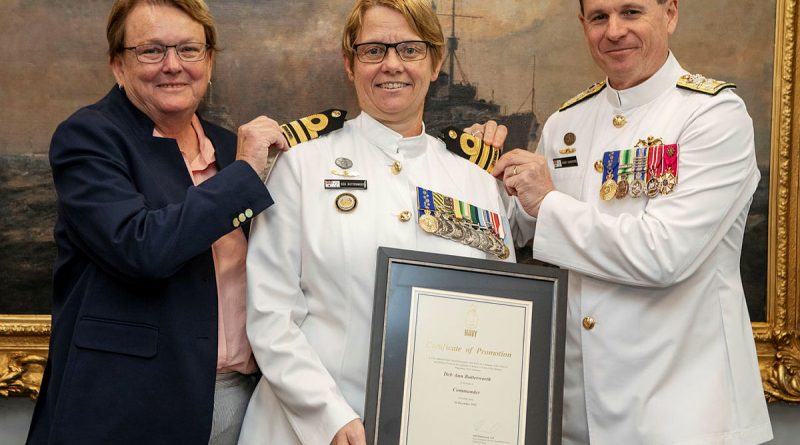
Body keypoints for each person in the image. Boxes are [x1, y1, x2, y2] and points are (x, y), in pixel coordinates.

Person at [491, 0, 773, 443]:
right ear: (583, 25)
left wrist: (547, 202)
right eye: (600, 17)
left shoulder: (713, 115)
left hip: (685, 417)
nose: (614, 31)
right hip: (577, 416)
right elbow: (516, 231)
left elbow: (662, 255)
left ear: (671, 14)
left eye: (631, 12)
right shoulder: (567, 121)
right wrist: (473, 171)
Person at [239, 1, 515, 444]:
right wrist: (329, 417)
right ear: (350, 64)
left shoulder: (474, 177)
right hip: (308, 425)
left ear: (436, 62)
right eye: (372, 50)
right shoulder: (302, 165)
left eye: (410, 49)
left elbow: (498, 315)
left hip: (439, 425)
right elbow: (271, 314)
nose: (391, 64)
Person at [26, 1, 288, 443]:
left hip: (244, 404)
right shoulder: (88, 138)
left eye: (189, 49)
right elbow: (140, 248)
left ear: (209, 60)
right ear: (118, 65)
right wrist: (244, 176)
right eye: (151, 51)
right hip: (131, 407)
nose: (173, 66)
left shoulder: (227, 148)